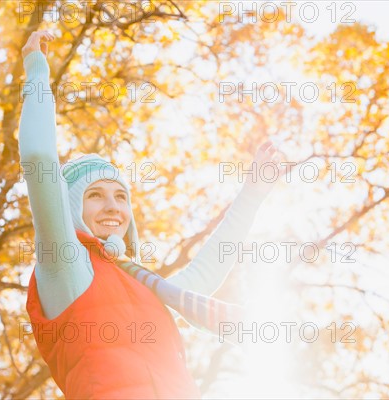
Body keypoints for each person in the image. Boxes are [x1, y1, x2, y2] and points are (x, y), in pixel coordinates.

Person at [18, 30, 283, 399]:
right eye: (94, 195)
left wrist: (252, 194)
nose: (113, 206)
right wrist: (36, 72)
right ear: (70, 209)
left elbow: (208, 270)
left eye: (121, 197)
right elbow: (39, 159)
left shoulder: (148, 287)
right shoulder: (65, 266)